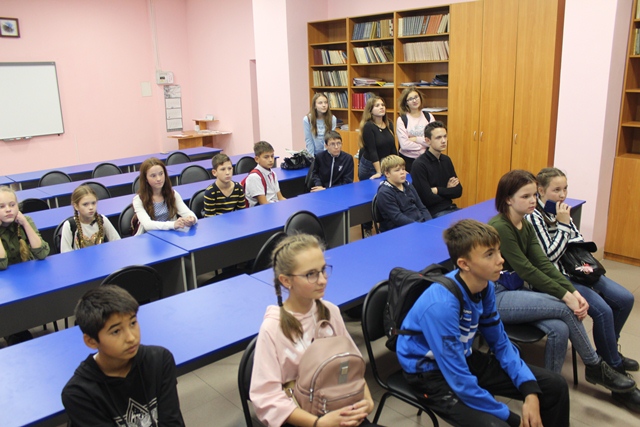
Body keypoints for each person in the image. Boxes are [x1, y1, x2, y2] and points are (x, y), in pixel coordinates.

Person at [397, 219, 570, 427]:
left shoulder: (485, 287)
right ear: (464, 264)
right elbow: (459, 379)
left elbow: (501, 343)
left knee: (555, 386)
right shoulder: (441, 305)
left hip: (461, 356)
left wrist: (530, 390)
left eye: (498, 251)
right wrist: (511, 418)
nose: (501, 260)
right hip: (428, 372)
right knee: (498, 424)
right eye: (490, 254)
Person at [488, 170, 635, 394]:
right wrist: (567, 296)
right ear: (508, 199)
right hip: (496, 296)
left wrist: (573, 293)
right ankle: (595, 366)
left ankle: (551, 388)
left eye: (533, 195)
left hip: (516, 289)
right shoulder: (501, 226)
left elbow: (543, 264)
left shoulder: (524, 225)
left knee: (560, 328)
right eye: (526, 196)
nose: (533, 201)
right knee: (565, 308)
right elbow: (527, 270)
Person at [528, 167, 640, 412]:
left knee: (625, 299)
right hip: (560, 276)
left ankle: (609, 351)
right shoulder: (533, 216)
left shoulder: (560, 210)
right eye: (556, 190)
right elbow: (548, 256)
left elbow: (577, 241)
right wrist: (563, 227)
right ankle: (614, 372)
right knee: (602, 310)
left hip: (579, 268)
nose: (562, 195)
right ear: (541, 190)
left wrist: (566, 230)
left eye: (565, 189)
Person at [250, 234, 383, 427]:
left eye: (323, 270)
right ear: (286, 281)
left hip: (339, 408)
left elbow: (351, 364)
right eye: (311, 274)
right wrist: (317, 423)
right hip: (304, 419)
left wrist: (367, 401)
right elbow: (266, 397)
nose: (322, 280)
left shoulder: (330, 311)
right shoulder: (273, 328)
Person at [61, 285, 185, 426]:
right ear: (91, 341)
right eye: (116, 331)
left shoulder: (160, 360)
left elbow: (172, 422)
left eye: (133, 323)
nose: (131, 338)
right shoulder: (79, 393)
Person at [358, 96, 396, 237]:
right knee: (369, 199)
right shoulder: (368, 126)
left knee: (385, 196)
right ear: (370, 110)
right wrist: (379, 171)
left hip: (385, 165)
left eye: (383, 105)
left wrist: (399, 167)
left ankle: (383, 225)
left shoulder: (389, 124)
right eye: (377, 105)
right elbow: (372, 150)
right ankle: (367, 228)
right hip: (370, 166)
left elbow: (393, 147)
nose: (381, 107)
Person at [133, 157, 197, 235]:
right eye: (153, 176)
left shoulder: (172, 194)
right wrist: (173, 224)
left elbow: (187, 212)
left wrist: (192, 219)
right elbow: (147, 225)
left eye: (161, 174)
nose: (159, 179)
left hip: (170, 234)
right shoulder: (138, 200)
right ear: (146, 178)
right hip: (148, 236)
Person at [411, 121, 462, 218]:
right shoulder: (419, 164)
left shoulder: (446, 160)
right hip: (433, 212)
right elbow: (427, 199)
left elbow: (458, 191)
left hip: (451, 207)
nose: (443, 141)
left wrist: (437, 190)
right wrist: (447, 190)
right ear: (428, 141)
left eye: (445, 136)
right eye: (438, 138)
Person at [376, 155, 431, 232]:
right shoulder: (384, 193)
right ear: (387, 173)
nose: (402, 172)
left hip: (418, 224)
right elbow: (397, 218)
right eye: (397, 170)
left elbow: (421, 207)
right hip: (400, 230)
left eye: (403, 169)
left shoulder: (408, 185)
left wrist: (429, 223)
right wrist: (419, 226)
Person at [0, 186, 50, 270]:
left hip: (28, 271)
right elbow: (2, 264)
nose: (8, 209)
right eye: (1, 206)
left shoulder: (25, 220)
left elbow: (42, 253)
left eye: (12, 205)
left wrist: (25, 224)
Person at [60, 184, 121, 252]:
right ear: (76, 206)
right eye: (85, 204)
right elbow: (65, 252)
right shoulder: (69, 225)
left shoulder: (102, 219)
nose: (91, 207)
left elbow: (117, 242)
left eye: (93, 203)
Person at [396, 87, 434, 172]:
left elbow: (433, 140)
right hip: (408, 160)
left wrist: (416, 139)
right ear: (406, 103)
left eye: (416, 97)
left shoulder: (429, 117)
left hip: (427, 158)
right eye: (410, 99)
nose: (414, 100)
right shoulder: (402, 120)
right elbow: (404, 145)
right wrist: (424, 145)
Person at [245, 141, 286, 207]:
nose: (270, 160)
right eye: (266, 157)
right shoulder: (254, 177)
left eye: (272, 156)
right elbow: (263, 204)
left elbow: (280, 198)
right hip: (262, 210)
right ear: (257, 159)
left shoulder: (273, 174)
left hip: (274, 206)